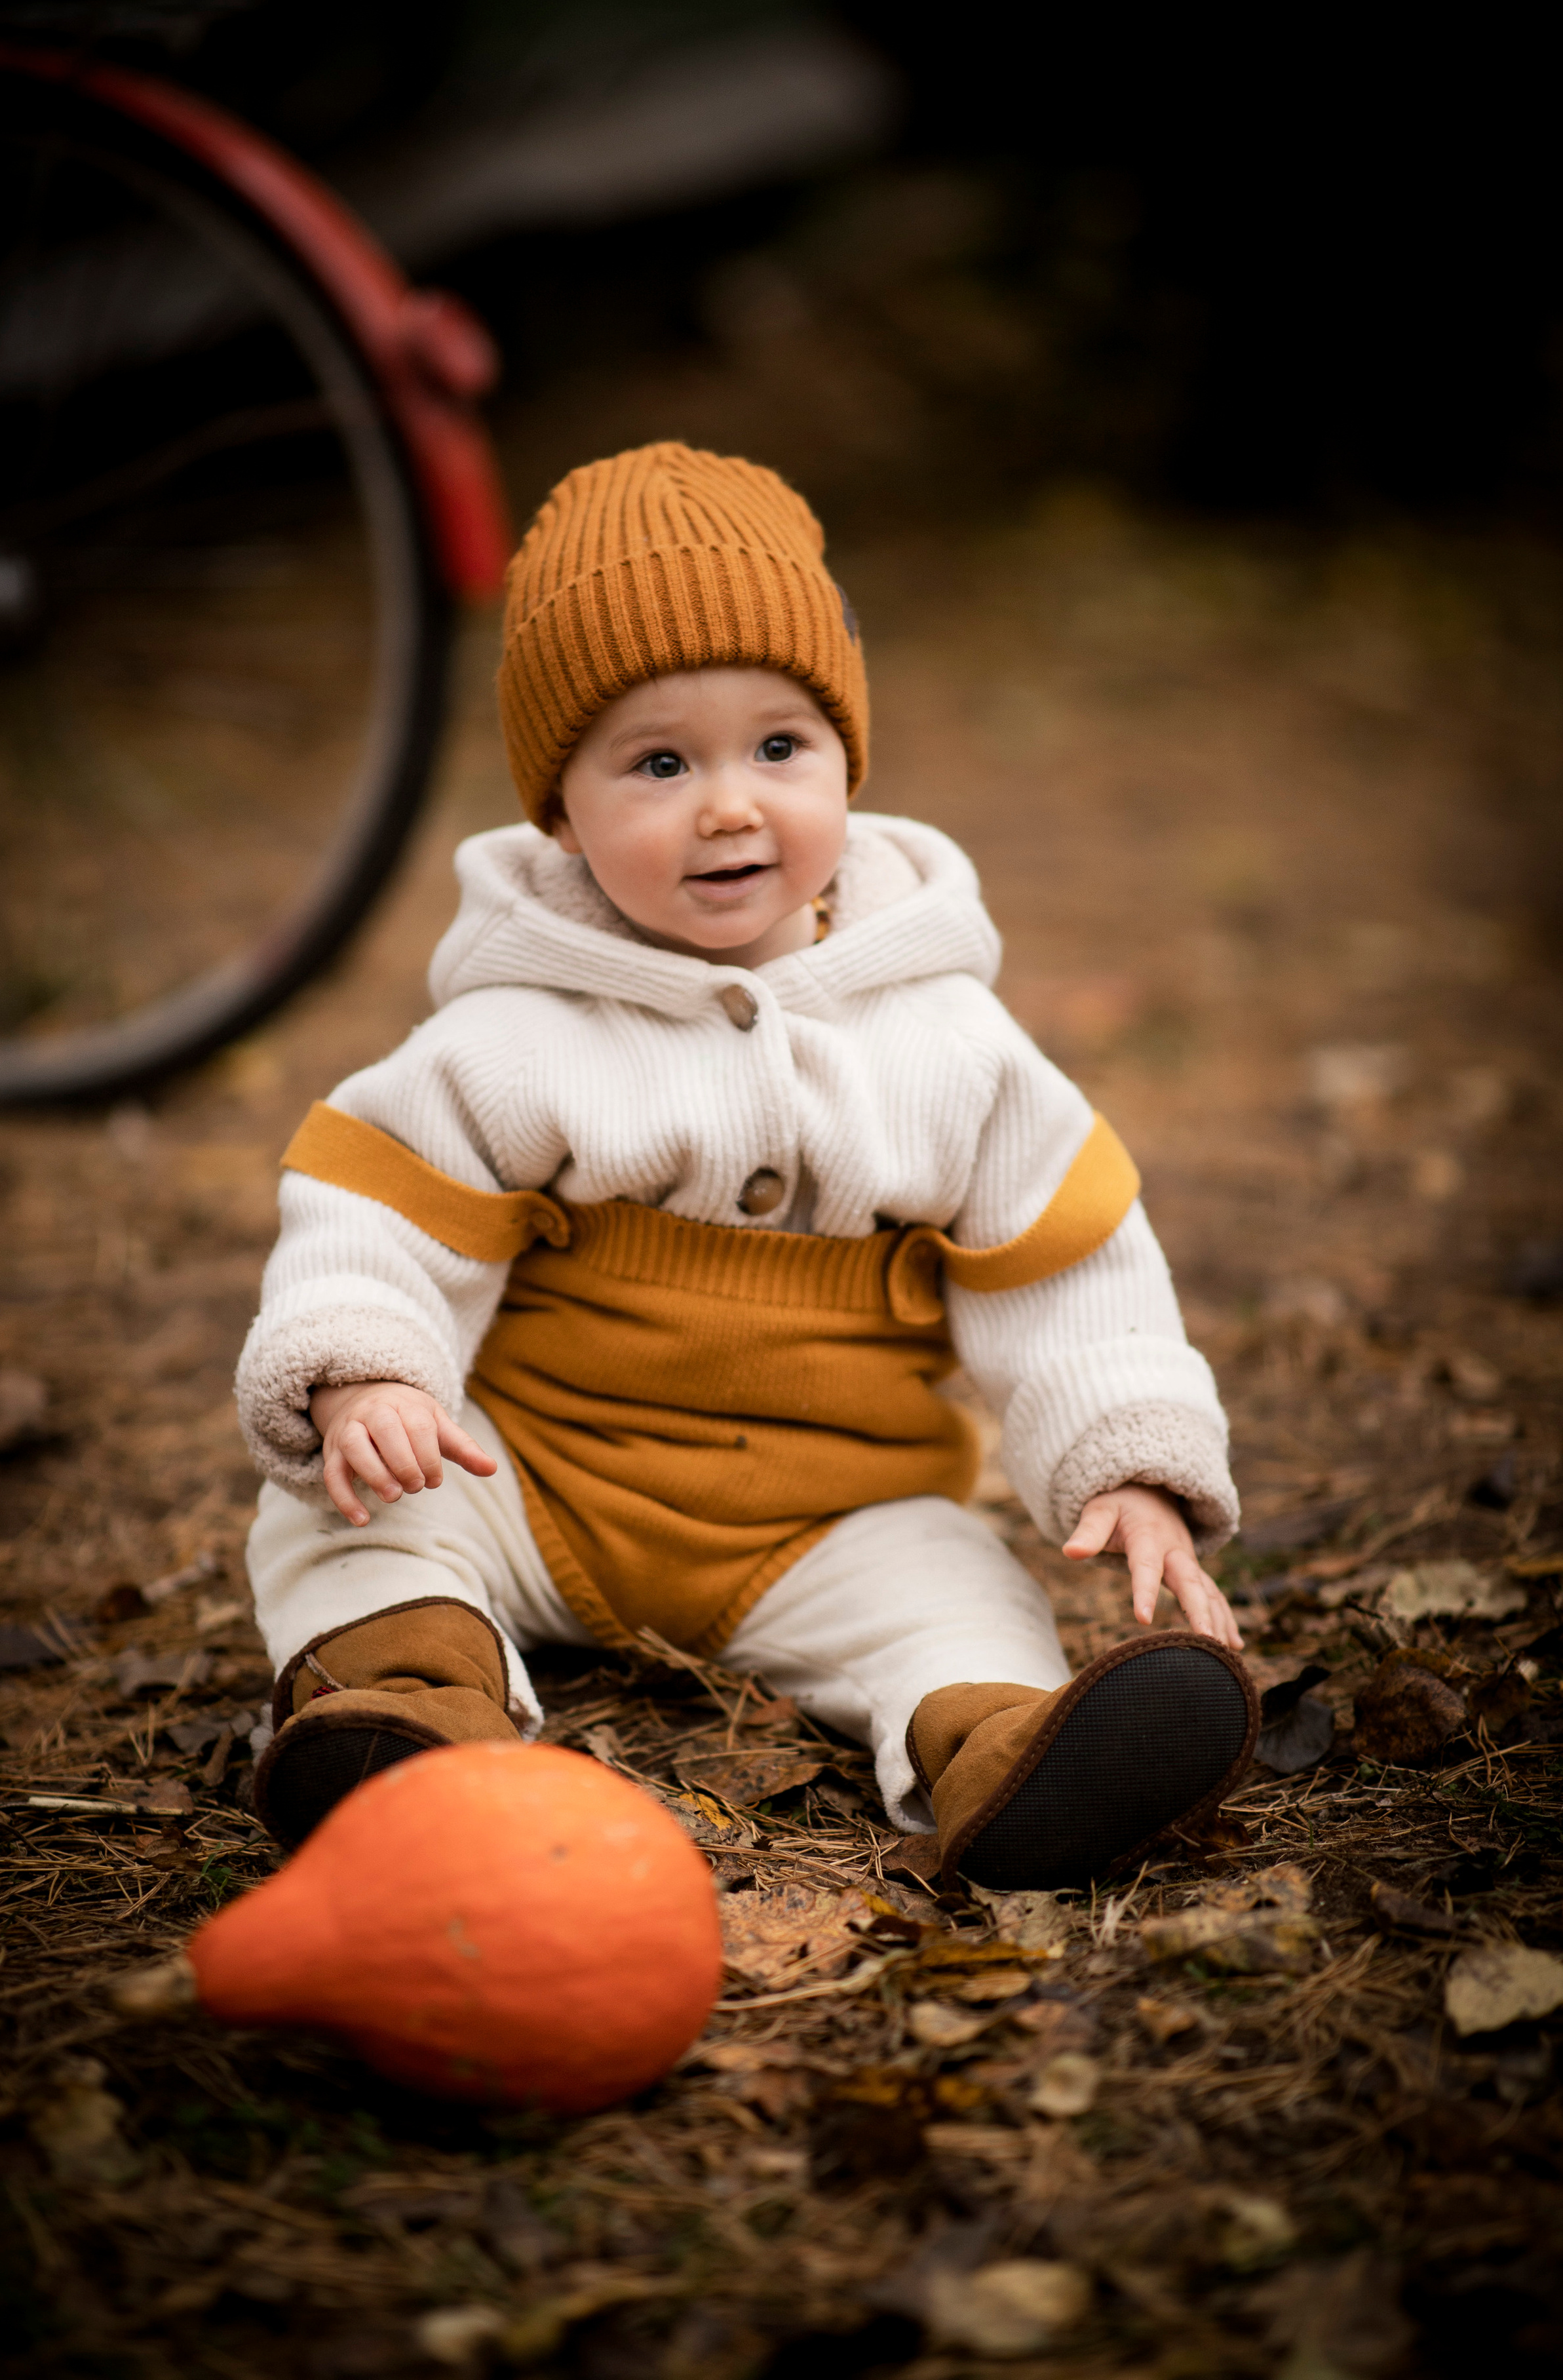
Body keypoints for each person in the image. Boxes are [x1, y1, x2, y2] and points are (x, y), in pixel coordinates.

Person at [235, 442, 1257, 1888]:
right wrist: (366, 1371)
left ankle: (999, 1754)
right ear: (560, 810)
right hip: (535, 1479)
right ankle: (405, 1707)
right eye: (657, 763)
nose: (728, 805)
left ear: (846, 760)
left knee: (955, 1591)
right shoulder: (515, 1034)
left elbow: (1070, 1266)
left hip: (830, 1515)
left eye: (778, 749)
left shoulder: (949, 1042)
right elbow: (377, 1214)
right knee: (344, 1524)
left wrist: (1135, 1463)